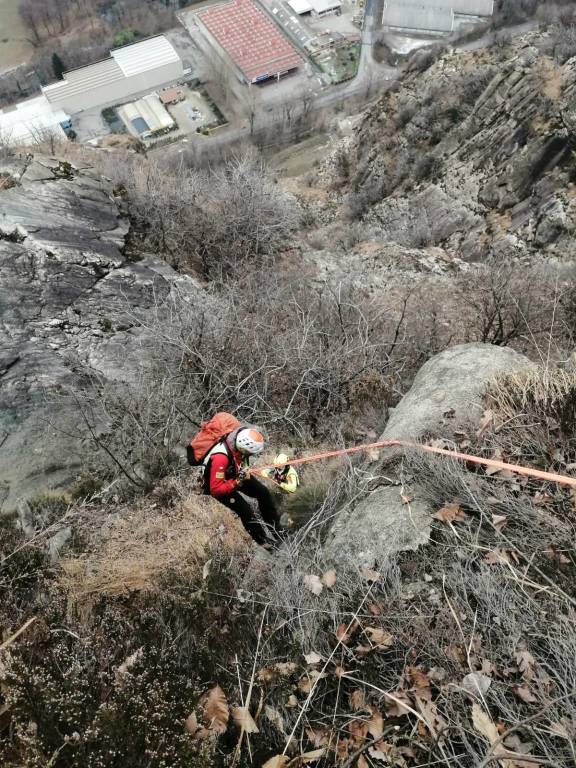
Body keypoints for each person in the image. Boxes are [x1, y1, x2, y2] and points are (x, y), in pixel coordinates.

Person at [203, 426, 281, 546]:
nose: (250, 455)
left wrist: (243, 472)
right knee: (245, 510)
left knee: (263, 492)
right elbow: (215, 490)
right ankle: (264, 543)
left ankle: (277, 530)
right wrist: (235, 482)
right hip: (219, 485)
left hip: (235, 473)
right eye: (250, 453)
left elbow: (240, 460)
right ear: (244, 448)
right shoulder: (221, 457)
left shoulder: (238, 442)